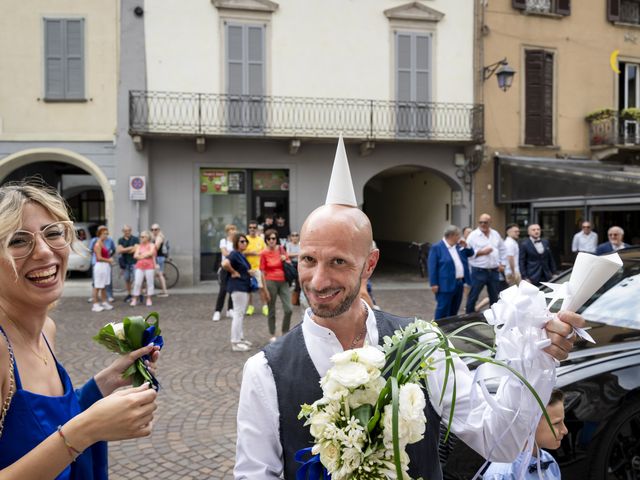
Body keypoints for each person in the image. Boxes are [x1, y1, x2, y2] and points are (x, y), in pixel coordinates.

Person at [234, 136, 584, 479]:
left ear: (370, 265)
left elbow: (501, 443)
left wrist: (534, 357)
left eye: (338, 262)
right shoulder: (264, 371)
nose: (318, 279)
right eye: (309, 259)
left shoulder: (423, 343)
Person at [0, 182, 159, 479]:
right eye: (18, 241)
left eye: (53, 233)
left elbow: (45, 423)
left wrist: (104, 384)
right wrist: (87, 429)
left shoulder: (47, 329)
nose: (44, 252)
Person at [483, 389, 567, 479]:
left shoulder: (549, 461)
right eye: (556, 423)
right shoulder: (503, 474)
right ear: (530, 423)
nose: (565, 430)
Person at [428, 225, 474, 319]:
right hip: (444, 284)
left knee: (454, 309)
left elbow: (470, 253)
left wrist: (466, 245)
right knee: (443, 309)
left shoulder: (458, 247)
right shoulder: (437, 247)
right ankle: (438, 329)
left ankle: (451, 330)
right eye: (458, 235)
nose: (460, 238)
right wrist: (433, 284)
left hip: (459, 283)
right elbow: (432, 267)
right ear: (452, 236)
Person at [465, 214, 506, 313]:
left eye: (485, 222)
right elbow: (466, 252)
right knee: (473, 296)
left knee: (494, 297)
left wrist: (503, 264)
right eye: (480, 222)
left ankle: (494, 319)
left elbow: (503, 249)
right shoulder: (473, 236)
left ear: (490, 223)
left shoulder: (495, 234)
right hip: (479, 271)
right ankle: (468, 318)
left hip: (494, 271)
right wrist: (481, 252)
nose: (483, 224)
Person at [260, 229, 293, 343]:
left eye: (273, 238)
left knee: (289, 308)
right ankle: (272, 333)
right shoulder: (263, 253)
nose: (271, 241)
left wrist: (285, 259)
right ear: (266, 240)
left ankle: (285, 332)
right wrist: (265, 290)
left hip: (283, 281)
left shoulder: (281, 249)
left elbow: (289, 263)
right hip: (270, 282)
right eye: (269, 239)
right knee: (271, 309)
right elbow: (262, 273)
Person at [222, 233, 253, 352]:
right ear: (236, 243)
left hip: (243, 287)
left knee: (240, 314)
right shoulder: (234, 254)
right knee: (238, 314)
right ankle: (235, 342)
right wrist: (233, 272)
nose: (244, 243)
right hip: (238, 287)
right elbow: (224, 263)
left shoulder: (240, 255)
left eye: (245, 241)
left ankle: (240, 338)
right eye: (241, 241)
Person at [213, 224, 237, 322]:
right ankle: (217, 311)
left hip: (234, 267)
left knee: (232, 289)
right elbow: (225, 253)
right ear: (227, 231)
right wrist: (234, 255)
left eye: (233, 229)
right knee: (223, 289)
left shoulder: (236, 241)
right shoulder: (223, 241)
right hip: (225, 267)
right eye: (230, 230)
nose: (232, 231)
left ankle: (230, 309)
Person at [244, 220, 268, 317]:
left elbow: (265, 252)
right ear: (248, 229)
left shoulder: (260, 240)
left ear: (257, 229)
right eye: (250, 228)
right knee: (248, 289)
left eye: (254, 228)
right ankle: (250, 307)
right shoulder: (245, 239)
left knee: (261, 288)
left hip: (258, 268)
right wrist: (251, 253)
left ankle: (265, 306)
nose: (252, 229)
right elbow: (241, 252)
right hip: (247, 268)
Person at [88, 229, 116, 304]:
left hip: (105, 266)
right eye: (104, 234)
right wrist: (109, 260)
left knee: (103, 286)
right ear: (99, 234)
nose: (106, 235)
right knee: (97, 286)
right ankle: (95, 304)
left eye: (107, 234)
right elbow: (99, 258)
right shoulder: (97, 244)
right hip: (100, 266)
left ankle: (104, 302)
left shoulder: (103, 243)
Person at [130, 231, 156, 307]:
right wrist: (145, 255)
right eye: (141, 236)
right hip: (139, 266)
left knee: (149, 283)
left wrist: (141, 255)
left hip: (149, 266)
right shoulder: (138, 246)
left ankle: (149, 298)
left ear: (148, 238)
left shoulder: (152, 245)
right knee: (137, 282)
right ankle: (135, 298)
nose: (141, 238)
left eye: (143, 237)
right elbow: (135, 256)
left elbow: (151, 253)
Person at [116, 225, 139, 303]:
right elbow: (119, 250)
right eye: (125, 231)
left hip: (134, 262)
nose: (127, 232)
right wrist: (130, 248)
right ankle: (129, 294)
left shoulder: (135, 239)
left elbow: (136, 249)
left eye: (128, 230)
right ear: (123, 231)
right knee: (127, 279)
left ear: (131, 230)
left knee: (136, 279)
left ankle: (135, 294)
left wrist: (124, 250)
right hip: (125, 263)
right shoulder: (120, 240)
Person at [150, 224, 169, 297]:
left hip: (158, 258)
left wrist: (150, 248)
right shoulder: (155, 237)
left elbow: (156, 247)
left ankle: (165, 292)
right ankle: (163, 291)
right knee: (158, 274)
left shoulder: (159, 237)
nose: (153, 231)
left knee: (160, 274)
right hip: (157, 257)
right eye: (152, 229)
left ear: (159, 230)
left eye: (155, 229)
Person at [503, 224, 521, 288]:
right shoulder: (509, 243)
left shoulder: (512, 242)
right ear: (508, 232)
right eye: (515, 231)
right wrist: (513, 273)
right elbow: (510, 258)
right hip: (511, 273)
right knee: (512, 294)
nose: (518, 233)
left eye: (518, 231)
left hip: (512, 271)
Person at [286, 232, 301, 306]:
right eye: (293, 235)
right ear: (290, 237)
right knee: (289, 283)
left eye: (296, 235)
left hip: (299, 264)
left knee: (299, 283)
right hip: (291, 265)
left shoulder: (300, 244)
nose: (295, 237)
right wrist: (298, 254)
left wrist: (293, 254)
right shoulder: (288, 244)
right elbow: (288, 254)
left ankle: (296, 300)